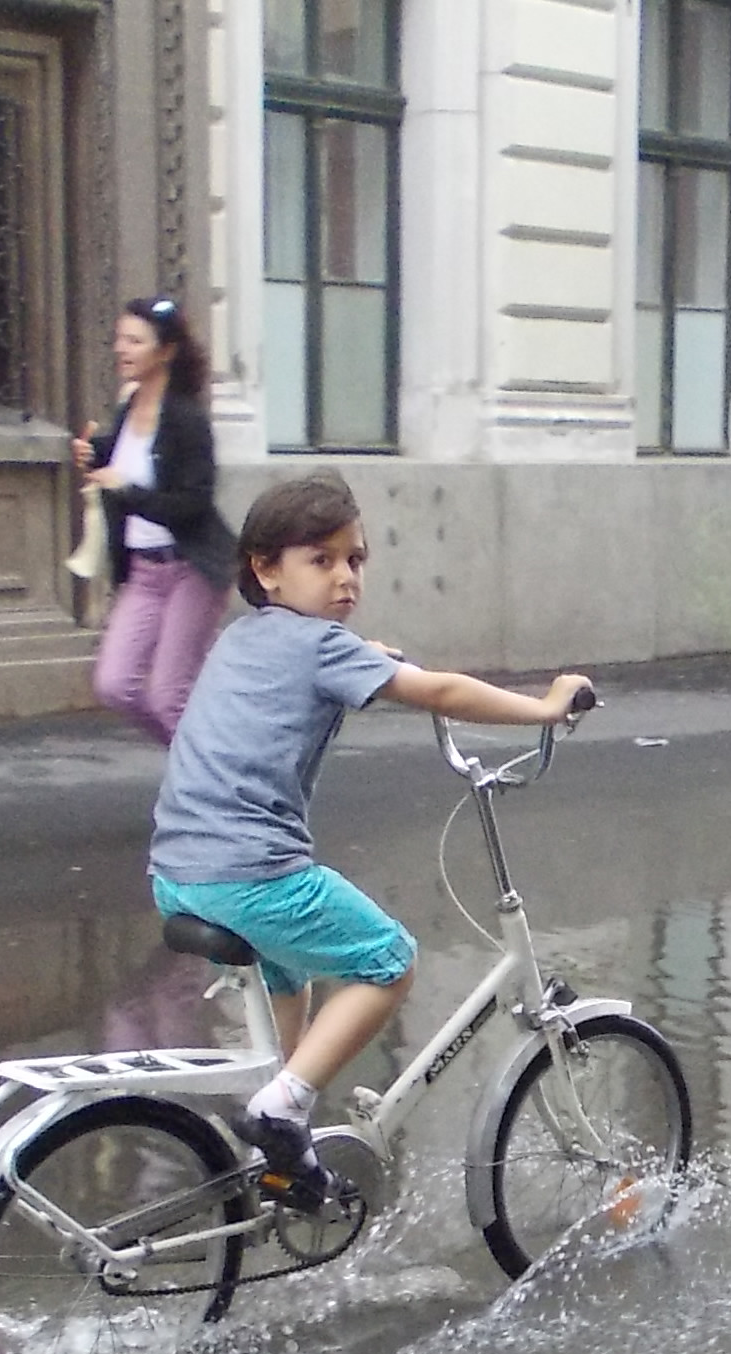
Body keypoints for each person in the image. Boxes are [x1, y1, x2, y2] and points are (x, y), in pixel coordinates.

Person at [147, 473, 593, 1197]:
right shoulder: (324, 648)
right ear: (265, 569)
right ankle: (283, 1107)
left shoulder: (247, 637)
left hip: (179, 874)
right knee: (387, 960)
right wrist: (545, 708)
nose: (345, 576)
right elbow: (442, 691)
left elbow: (314, 673)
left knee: (288, 983)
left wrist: (369, 657)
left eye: (355, 560)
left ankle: (274, 1156)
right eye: (320, 561)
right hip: (253, 873)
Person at [78, 296, 237, 743]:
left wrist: (126, 491)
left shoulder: (188, 420)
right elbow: (124, 465)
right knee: (114, 685)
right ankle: (208, 764)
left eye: (135, 340)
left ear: (165, 351)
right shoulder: (128, 407)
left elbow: (193, 501)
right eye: (119, 338)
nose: (121, 349)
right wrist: (95, 456)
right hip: (144, 572)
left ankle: (213, 783)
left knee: (169, 696)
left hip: (192, 569)